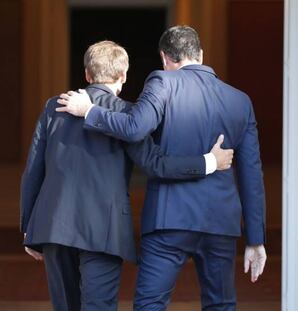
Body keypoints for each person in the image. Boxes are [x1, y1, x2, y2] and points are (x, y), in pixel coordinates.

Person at [57, 26, 267, 311]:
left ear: (165, 58)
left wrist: (90, 111)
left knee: (150, 305)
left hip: (169, 219)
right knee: (221, 305)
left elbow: (134, 128)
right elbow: (252, 174)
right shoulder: (240, 101)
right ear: (201, 55)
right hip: (220, 222)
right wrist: (256, 240)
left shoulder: (163, 82)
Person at [20, 40, 234, 311]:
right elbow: (156, 164)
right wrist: (209, 162)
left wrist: (29, 226)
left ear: (87, 74)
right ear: (123, 76)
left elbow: (33, 171)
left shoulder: (54, 107)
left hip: (53, 225)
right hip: (103, 230)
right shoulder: (128, 115)